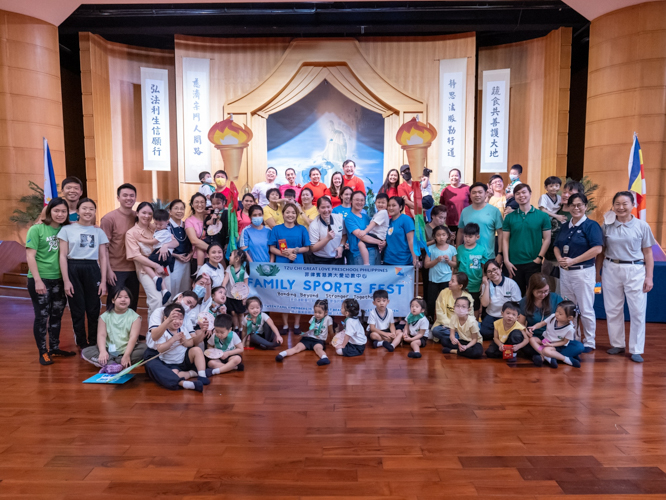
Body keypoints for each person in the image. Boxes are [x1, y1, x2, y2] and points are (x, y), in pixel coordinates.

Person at [597, 191, 656, 363]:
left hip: (635, 269)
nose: (621, 207)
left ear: (633, 205)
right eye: (617, 204)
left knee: (637, 310)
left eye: (625, 204)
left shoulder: (642, 226)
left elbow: (648, 254)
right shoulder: (606, 225)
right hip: (611, 268)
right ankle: (617, 344)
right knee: (613, 309)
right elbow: (601, 252)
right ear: (613, 206)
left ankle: (636, 348)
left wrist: (649, 277)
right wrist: (597, 273)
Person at [26, 197, 74, 365]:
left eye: (63, 211)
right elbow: (30, 256)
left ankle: (54, 347)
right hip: (41, 280)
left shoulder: (66, 229)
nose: (60, 214)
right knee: (42, 316)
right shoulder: (36, 229)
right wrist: (38, 280)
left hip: (59, 279)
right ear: (49, 211)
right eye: (56, 210)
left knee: (57, 316)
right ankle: (43, 352)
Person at [553, 192, 603, 352]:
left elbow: (597, 249)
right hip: (566, 273)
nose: (576, 208)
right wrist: (560, 258)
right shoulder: (565, 226)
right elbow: (556, 246)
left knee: (586, 308)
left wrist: (573, 261)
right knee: (569, 308)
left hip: (583, 273)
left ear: (585, 206)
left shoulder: (591, 225)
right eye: (573, 205)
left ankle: (589, 341)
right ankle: (573, 337)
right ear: (568, 207)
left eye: (579, 205)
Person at [58, 198, 109, 349]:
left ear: (95, 212)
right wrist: (66, 280)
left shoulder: (98, 232)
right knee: (77, 307)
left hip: (92, 267)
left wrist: (104, 281)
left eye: (91, 209)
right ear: (78, 211)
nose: (88, 212)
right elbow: (62, 256)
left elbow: (103, 257)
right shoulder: (67, 229)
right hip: (73, 266)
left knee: (94, 308)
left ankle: (94, 341)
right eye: (84, 208)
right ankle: (81, 342)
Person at [502, 183, 552, 295]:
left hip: (533, 262)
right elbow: (505, 240)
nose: (521, 195)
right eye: (517, 193)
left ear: (530, 194)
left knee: (534, 293)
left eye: (524, 192)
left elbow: (547, 239)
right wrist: (506, 260)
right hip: (514, 264)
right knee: (516, 295)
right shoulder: (509, 217)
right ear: (514, 196)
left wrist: (539, 258)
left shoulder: (542, 216)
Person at [268, 203, 310, 334]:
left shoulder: (302, 229)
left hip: (298, 264)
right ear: (283, 214)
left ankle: (297, 324)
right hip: (282, 265)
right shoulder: (276, 229)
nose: (290, 215)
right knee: (283, 294)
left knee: (297, 294)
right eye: (288, 212)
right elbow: (272, 247)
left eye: (293, 212)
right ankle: (285, 325)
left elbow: (307, 248)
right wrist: (285, 254)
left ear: (296, 215)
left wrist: (294, 251)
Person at [149, 303, 209, 392]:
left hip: (184, 359)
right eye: (174, 319)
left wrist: (184, 341)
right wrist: (172, 339)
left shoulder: (183, 329)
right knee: (173, 375)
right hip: (170, 363)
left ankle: (202, 375)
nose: (178, 321)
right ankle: (191, 373)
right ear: (166, 319)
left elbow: (191, 343)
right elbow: (160, 349)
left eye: (180, 319)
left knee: (197, 350)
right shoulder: (163, 331)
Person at [124, 202, 170, 316]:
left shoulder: (156, 226)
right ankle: (153, 332)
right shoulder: (131, 233)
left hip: (161, 266)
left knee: (166, 300)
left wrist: (166, 246)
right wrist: (156, 266)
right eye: (144, 213)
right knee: (156, 300)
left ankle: (164, 332)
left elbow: (175, 241)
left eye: (150, 213)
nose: (147, 216)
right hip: (145, 269)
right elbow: (135, 256)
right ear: (137, 213)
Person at [81, 287, 147, 368]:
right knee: (86, 351)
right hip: (109, 350)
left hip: (128, 350)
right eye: (119, 297)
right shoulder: (104, 317)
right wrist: (102, 351)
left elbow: (133, 337)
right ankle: (115, 362)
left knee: (146, 349)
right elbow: (101, 335)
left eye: (126, 297)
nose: (123, 299)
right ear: (113, 300)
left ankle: (112, 362)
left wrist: (127, 355)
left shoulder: (135, 317)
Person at [101, 183, 140, 311]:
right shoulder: (109, 218)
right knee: (115, 303)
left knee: (132, 303)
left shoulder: (138, 217)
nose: (129, 198)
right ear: (118, 198)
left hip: (135, 268)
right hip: (116, 269)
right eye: (125, 195)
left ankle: (131, 331)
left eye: (132, 195)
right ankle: (112, 331)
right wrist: (108, 271)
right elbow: (103, 248)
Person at [456, 182, 503, 265]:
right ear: (470, 195)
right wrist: (457, 250)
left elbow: (500, 233)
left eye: (480, 192)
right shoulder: (465, 211)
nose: (477, 195)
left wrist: (500, 253)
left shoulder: (494, 211)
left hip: (488, 256)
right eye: (474, 193)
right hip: (467, 255)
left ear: (486, 194)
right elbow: (460, 231)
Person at [276, 299, 333, 366]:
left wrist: (331, 341)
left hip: (318, 340)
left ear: (326, 312)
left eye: (319, 313)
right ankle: (281, 354)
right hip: (308, 339)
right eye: (315, 312)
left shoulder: (328, 319)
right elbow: (310, 330)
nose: (317, 314)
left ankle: (324, 358)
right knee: (297, 348)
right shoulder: (313, 318)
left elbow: (331, 331)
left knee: (318, 349)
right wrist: (303, 334)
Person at [528, 300, 583, 368]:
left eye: (560, 314)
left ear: (569, 318)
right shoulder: (553, 317)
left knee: (546, 350)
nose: (557, 314)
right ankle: (547, 357)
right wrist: (534, 327)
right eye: (556, 311)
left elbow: (564, 342)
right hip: (545, 340)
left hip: (557, 345)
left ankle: (566, 359)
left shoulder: (570, 329)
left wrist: (551, 345)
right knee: (532, 339)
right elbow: (542, 323)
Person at [479, 260, 522, 340]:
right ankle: (500, 335)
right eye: (489, 272)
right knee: (483, 333)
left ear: (500, 269)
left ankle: (501, 335)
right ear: (486, 274)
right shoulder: (486, 284)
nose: (493, 273)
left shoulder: (511, 284)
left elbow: (517, 304)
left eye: (495, 269)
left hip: (507, 316)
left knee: (514, 335)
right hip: (492, 315)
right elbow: (485, 304)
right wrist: (487, 285)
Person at [457, 223, 493, 316]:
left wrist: (483, 281)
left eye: (470, 236)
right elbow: (456, 266)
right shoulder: (459, 249)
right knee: (461, 305)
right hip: (462, 284)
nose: (467, 239)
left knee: (475, 306)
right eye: (465, 236)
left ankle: (475, 326)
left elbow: (484, 267)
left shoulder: (481, 249)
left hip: (476, 283)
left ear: (477, 237)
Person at [143, 208, 178, 303]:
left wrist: (140, 239)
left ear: (167, 222)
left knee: (145, 263)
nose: (158, 226)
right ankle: (165, 291)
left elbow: (153, 242)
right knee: (158, 272)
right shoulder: (166, 228)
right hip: (165, 255)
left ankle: (155, 279)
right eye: (156, 224)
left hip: (160, 253)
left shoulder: (164, 232)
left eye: (160, 224)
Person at [431, 272, 475, 344]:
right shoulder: (443, 292)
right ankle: (460, 339)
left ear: (460, 286)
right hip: (445, 325)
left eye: (452, 281)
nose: (449, 282)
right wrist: (453, 327)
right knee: (436, 330)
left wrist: (459, 327)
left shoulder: (468, 297)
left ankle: (451, 339)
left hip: (461, 327)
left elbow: (470, 316)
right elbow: (439, 313)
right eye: (450, 280)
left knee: (477, 326)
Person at [424, 225, 457, 318]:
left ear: (447, 236)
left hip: (446, 280)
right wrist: (436, 260)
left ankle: (446, 319)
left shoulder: (452, 248)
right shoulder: (430, 248)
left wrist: (448, 261)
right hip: (433, 280)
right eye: (438, 235)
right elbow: (426, 265)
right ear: (434, 237)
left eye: (443, 235)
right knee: (431, 301)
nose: (441, 237)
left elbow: (455, 264)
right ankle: (430, 319)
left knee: (446, 300)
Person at [344, 191, 385, 265]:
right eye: (357, 200)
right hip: (360, 254)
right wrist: (379, 242)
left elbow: (376, 232)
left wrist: (384, 241)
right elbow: (361, 236)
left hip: (375, 250)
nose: (359, 202)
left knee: (378, 276)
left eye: (362, 200)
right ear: (351, 201)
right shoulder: (349, 218)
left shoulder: (366, 217)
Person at [517, 273, 563, 338]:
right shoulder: (525, 301)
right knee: (517, 336)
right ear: (532, 290)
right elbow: (520, 323)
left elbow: (566, 318)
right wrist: (526, 332)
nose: (543, 294)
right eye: (539, 292)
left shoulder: (556, 298)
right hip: (534, 335)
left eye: (546, 291)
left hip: (553, 334)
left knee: (578, 346)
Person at [309, 196, 346, 265]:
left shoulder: (339, 218)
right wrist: (327, 239)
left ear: (332, 207)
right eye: (323, 207)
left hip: (337, 258)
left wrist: (341, 246)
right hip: (320, 260)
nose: (326, 210)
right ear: (318, 209)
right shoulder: (314, 225)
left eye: (328, 207)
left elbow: (344, 235)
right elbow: (313, 248)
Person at [167, 199, 193, 297]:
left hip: (186, 261)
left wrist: (190, 254)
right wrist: (176, 255)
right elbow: (159, 247)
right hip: (172, 262)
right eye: (176, 208)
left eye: (182, 209)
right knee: (173, 289)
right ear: (170, 211)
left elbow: (192, 243)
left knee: (185, 289)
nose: (179, 211)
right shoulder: (166, 226)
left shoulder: (187, 225)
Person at [383, 196, 417, 267]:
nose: (390, 208)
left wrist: (415, 258)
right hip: (388, 260)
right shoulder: (387, 221)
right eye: (389, 205)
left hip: (403, 261)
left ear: (400, 207)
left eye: (394, 205)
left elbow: (411, 241)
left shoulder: (406, 220)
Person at [357, 193, 389, 266]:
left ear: (387, 204)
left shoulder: (383, 212)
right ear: (375, 203)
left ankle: (366, 263)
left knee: (361, 243)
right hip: (378, 236)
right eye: (378, 202)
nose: (380, 204)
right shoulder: (378, 213)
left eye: (383, 203)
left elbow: (374, 223)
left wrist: (365, 231)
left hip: (377, 236)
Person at [222, 249, 249, 331]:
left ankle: (241, 328)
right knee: (233, 313)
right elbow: (225, 281)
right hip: (230, 296)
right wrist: (222, 291)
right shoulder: (229, 268)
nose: (229, 257)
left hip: (240, 297)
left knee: (241, 313)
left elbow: (246, 285)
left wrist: (245, 298)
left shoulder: (243, 270)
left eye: (231, 255)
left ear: (237, 259)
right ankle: (236, 328)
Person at [184, 193, 209, 274]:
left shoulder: (210, 217)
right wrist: (212, 249)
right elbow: (194, 240)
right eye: (197, 202)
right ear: (192, 204)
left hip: (213, 258)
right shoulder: (189, 221)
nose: (200, 205)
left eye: (202, 202)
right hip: (197, 259)